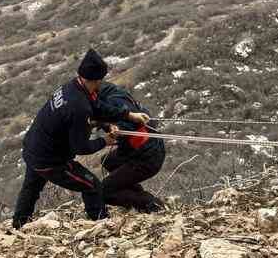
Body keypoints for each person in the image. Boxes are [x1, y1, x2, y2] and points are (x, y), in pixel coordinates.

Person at [12, 49, 125, 229]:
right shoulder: (78, 106)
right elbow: (81, 147)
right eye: (99, 80)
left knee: (31, 189)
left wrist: (123, 116)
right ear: (93, 79)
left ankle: (18, 226)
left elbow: (95, 107)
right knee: (91, 185)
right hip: (50, 160)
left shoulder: (73, 87)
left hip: (34, 148)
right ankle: (102, 226)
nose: (101, 83)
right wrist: (105, 141)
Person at [88, 74, 167, 213]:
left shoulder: (113, 101)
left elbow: (126, 126)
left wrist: (110, 127)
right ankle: (136, 194)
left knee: (103, 191)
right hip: (141, 147)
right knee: (108, 161)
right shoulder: (109, 91)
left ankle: (151, 204)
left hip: (147, 157)